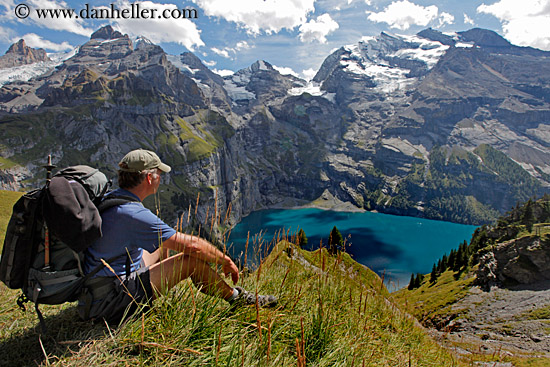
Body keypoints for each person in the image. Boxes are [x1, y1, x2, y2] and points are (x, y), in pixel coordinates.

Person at [78, 149, 277, 324]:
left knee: (163, 244)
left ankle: (158, 292)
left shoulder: (112, 199)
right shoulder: (131, 213)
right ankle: (238, 299)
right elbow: (193, 246)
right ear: (149, 178)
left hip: (99, 290)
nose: (161, 178)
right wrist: (224, 260)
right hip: (110, 302)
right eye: (159, 173)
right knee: (189, 261)